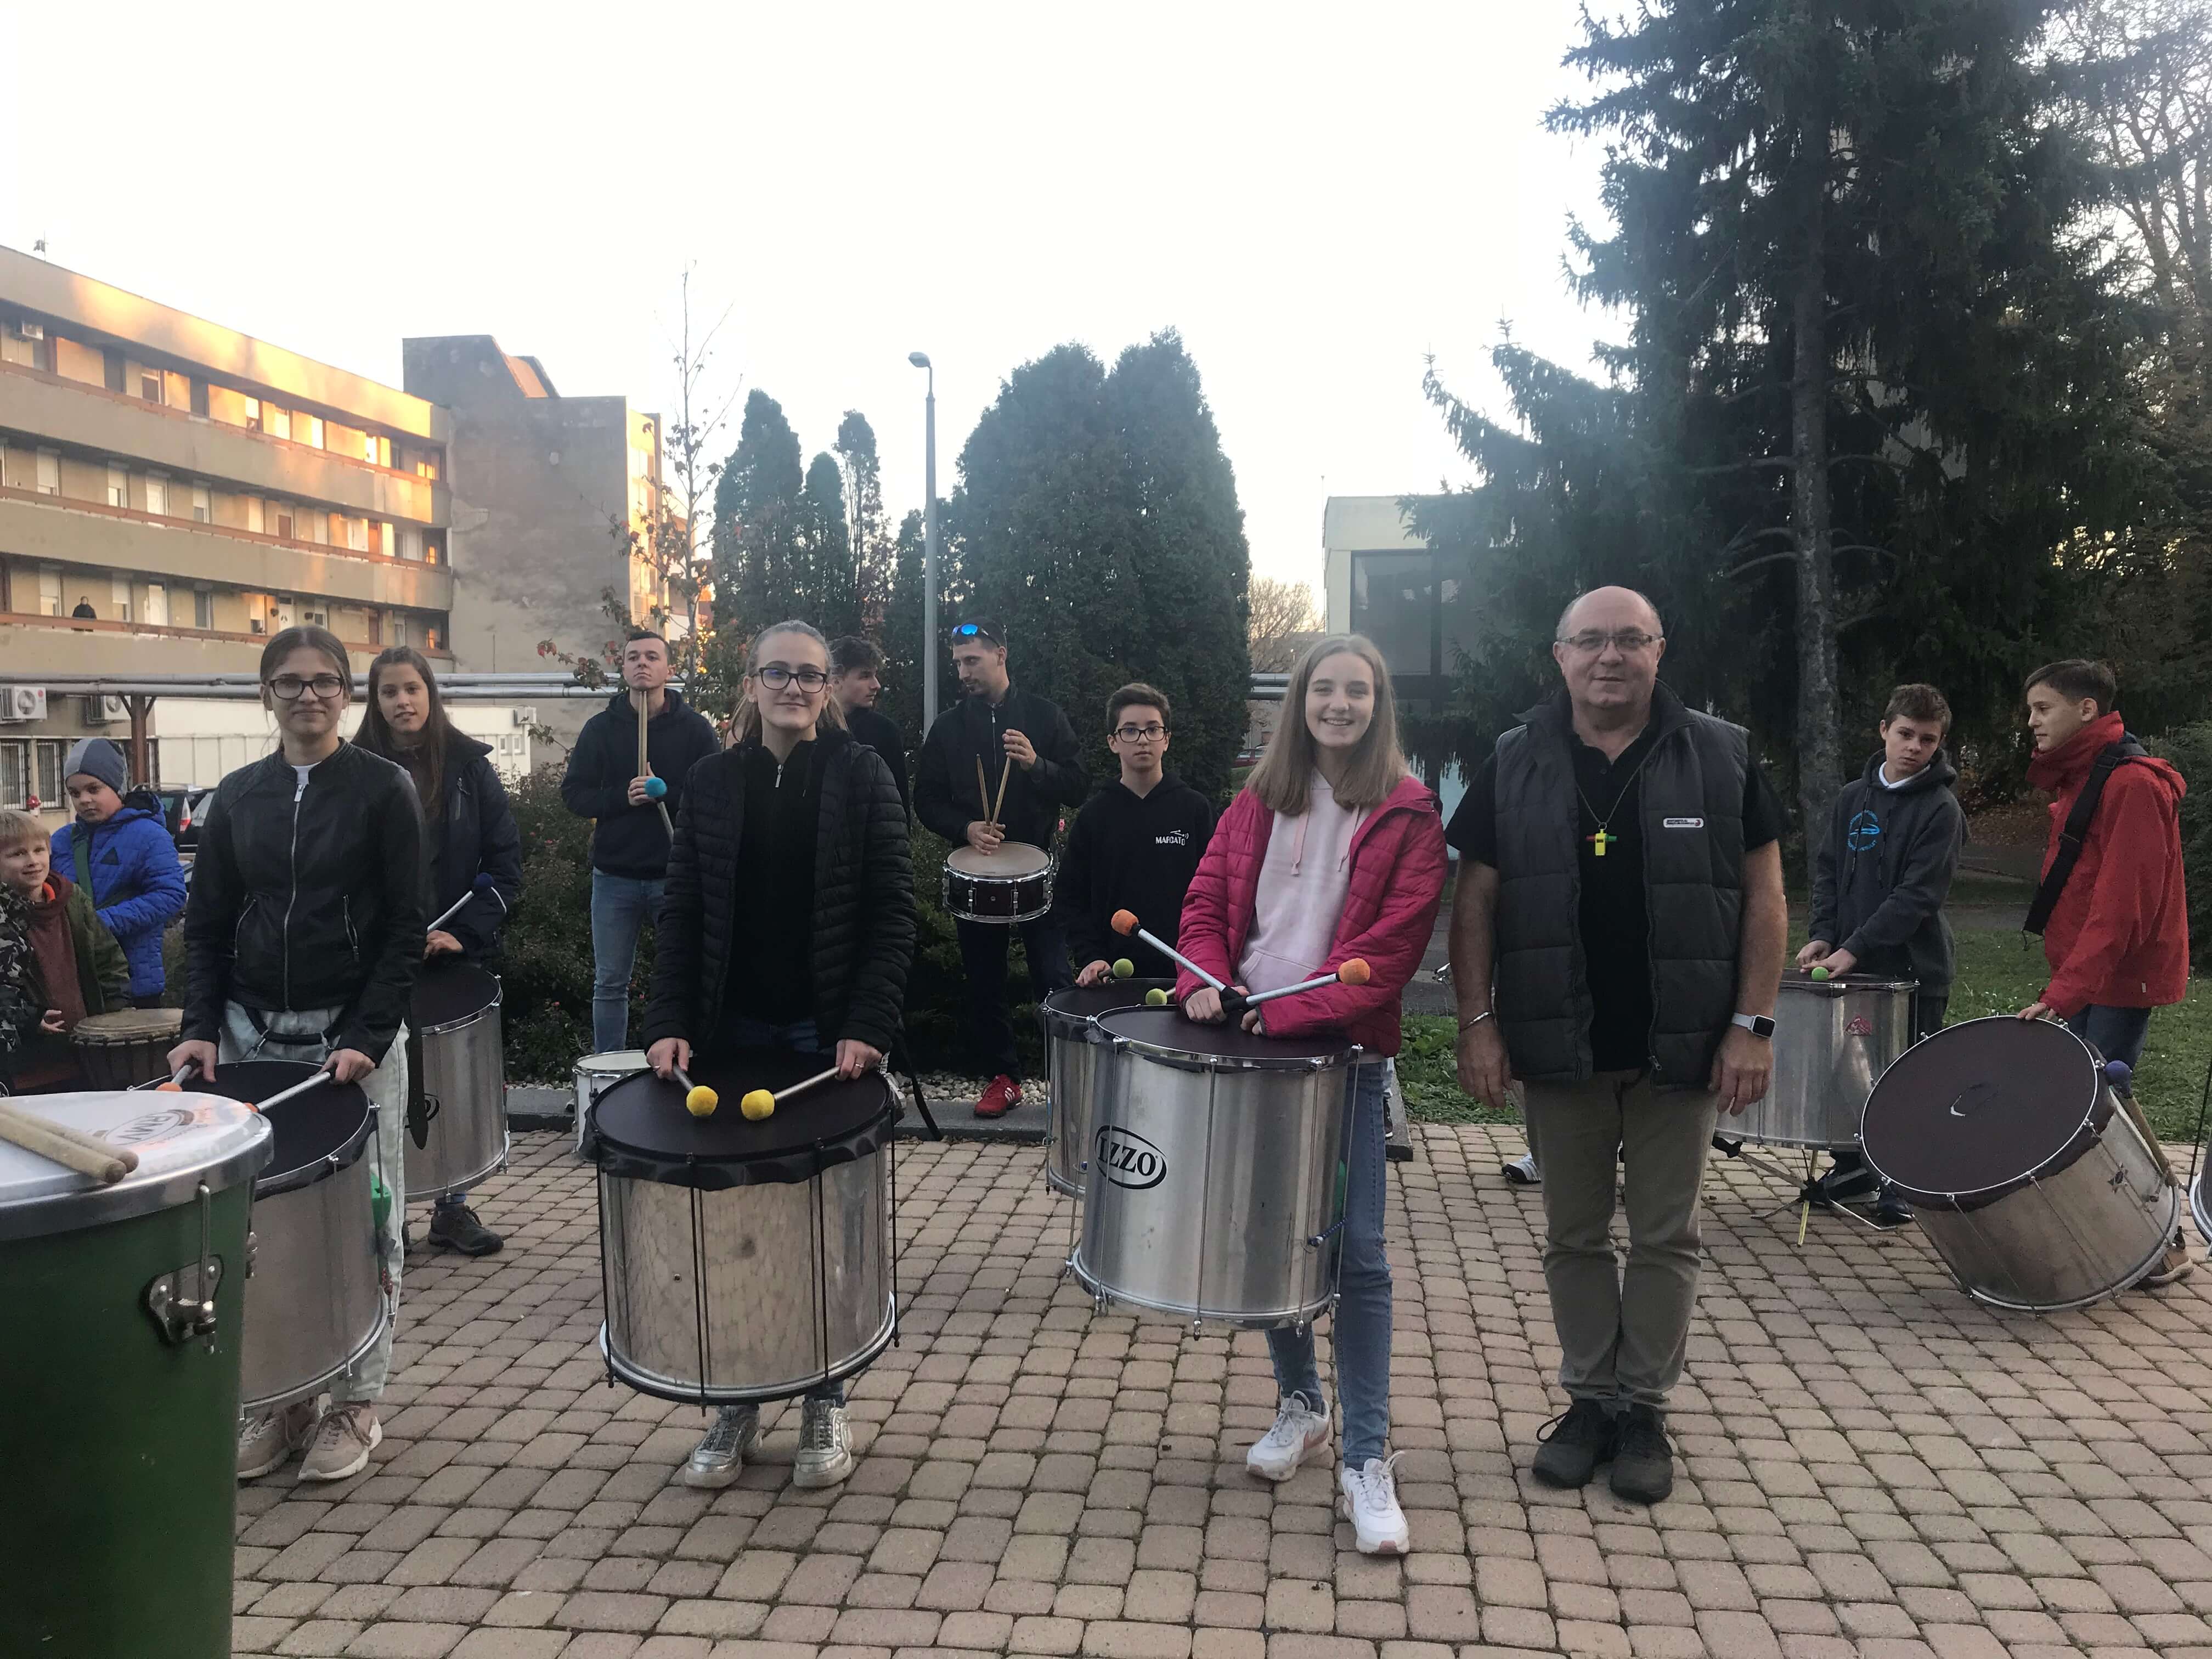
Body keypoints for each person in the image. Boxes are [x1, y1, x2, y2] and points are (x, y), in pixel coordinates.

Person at [1448, 586, 1787, 1506]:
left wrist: (1752, 1024)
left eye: (1630, 639)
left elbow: (1764, 898)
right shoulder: (1514, 758)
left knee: (1666, 1235)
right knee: (1573, 1233)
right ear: (1559, 656)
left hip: (1683, 1045)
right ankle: (1589, 1401)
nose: (1610, 655)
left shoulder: (1721, 754)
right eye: (1590, 640)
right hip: (1558, 1041)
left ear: (1658, 650)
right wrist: (1477, 1022)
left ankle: (1644, 1410)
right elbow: (1474, 900)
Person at [1175, 634, 1446, 1556]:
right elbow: (1205, 906)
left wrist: (1285, 1013)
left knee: (1358, 1254)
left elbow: (1389, 953)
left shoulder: (1408, 814)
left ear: (1377, 704)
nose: (1338, 704)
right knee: (1267, 1242)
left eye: (1355, 690)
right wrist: (1202, 979)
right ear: (1300, 702)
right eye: (1323, 688)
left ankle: (1365, 1457)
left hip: (1344, 1058)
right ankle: (1302, 1402)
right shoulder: (1258, 798)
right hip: (1252, 1046)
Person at [642, 620, 915, 1491]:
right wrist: (667, 1018)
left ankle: (825, 1393)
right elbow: (683, 910)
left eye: (809, 675)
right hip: (731, 1035)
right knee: (739, 1228)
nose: (793, 688)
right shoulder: (711, 781)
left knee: (825, 1221)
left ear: (827, 688)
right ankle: (740, 1392)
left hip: (822, 1036)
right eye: (778, 673)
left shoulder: (862, 775)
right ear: (750, 682)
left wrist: (867, 1022)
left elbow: (892, 910)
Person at [169, 625, 427, 1484]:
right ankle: (288, 1396)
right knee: (269, 1223)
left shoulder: (384, 790)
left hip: (352, 1040)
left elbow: (404, 929)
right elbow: (207, 926)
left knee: (366, 1221)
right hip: (251, 1035)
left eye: (324, 681)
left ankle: (358, 1398)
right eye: (290, 681)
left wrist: (367, 1036)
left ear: (346, 694)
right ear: (266, 694)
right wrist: (200, 1025)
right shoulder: (238, 796)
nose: (307, 695)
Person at [2013, 659, 2192, 1286]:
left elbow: (2121, 908)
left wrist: (2065, 992)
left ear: (2086, 709)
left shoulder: (2131, 784)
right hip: (2086, 972)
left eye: (2043, 708)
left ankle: (2161, 1244)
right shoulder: (2085, 775)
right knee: (2083, 1101)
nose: (2032, 721)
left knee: (2105, 1109)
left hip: (2117, 976)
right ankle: (2107, 1235)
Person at [356, 646, 525, 1259]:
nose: (403, 701)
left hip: (448, 951)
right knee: (378, 1085)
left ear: (430, 694)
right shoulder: (353, 770)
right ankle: (388, 1209)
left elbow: (505, 865)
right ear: (375, 702)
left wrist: (465, 933)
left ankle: (451, 1207)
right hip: (376, 958)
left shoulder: (469, 768)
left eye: (412, 689)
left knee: (446, 1085)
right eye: (389, 692)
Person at [1800, 684, 1963, 1224]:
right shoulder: (1853, 798)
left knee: (1905, 1080)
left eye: (1928, 740)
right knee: (1849, 1072)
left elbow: (1917, 897)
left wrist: (1856, 946)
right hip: (1852, 963)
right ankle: (1854, 1170)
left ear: (1939, 744)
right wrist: (1825, 934)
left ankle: (1903, 1182)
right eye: (1906, 734)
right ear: (1884, 731)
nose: (1915, 747)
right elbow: (1828, 871)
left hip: (1914, 971)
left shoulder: (1941, 810)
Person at [912, 618, 1087, 1118]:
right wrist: (965, 828)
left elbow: (1079, 785)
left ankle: (1072, 1080)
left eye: (972, 660)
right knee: (984, 980)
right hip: (977, 870)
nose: (963, 672)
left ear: (1001, 655)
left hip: (1037, 870)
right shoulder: (948, 728)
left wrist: (1036, 765)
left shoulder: (1045, 717)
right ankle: (1003, 1077)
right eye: (958, 663)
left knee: (1053, 978)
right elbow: (925, 799)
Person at [560, 630, 720, 1054]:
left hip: (676, 876)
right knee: (610, 982)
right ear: (624, 668)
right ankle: (608, 1072)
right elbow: (574, 794)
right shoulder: (600, 729)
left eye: (652, 656)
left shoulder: (695, 730)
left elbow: (718, 796)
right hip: (615, 876)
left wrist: (667, 794)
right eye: (634, 657)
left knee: (688, 975)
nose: (642, 664)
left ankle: (692, 1059)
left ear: (669, 669)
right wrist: (622, 797)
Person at [1056, 682, 1216, 985]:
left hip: (1187, 976)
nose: (1142, 739)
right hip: (1112, 979)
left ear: (1166, 739)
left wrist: (1207, 960)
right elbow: (1070, 899)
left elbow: (1215, 894)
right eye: (1130, 730)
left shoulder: (1195, 809)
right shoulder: (1094, 816)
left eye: (1153, 729)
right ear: (1113, 742)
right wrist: (1090, 956)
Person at [48, 737, 187, 1011]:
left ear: (118, 787)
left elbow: (170, 895)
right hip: (76, 984)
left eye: (94, 789)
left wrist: (102, 923)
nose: (84, 800)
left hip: (134, 982)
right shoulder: (62, 841)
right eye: (74, 793)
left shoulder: (149, 835)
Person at [0, 809, 128, 1090]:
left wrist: (113, 1015)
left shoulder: (73, 901)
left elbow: (109, 960)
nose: (33, 861)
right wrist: (28, 1019)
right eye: (18, 854)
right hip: (24, 1068)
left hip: (86, 1058)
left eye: (39, 850)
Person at [830, 635, 911, 820]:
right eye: (865, 676)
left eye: (875, 675)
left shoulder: (884, 731)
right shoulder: (811, 728)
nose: (876, 685)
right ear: (836, 680)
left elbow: (899, 808)